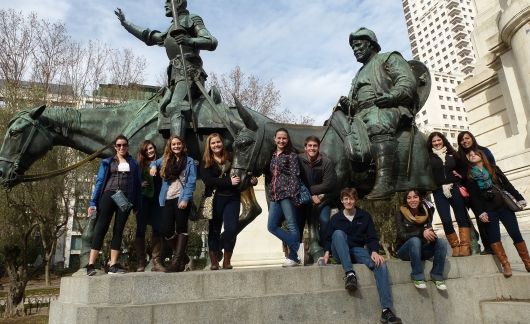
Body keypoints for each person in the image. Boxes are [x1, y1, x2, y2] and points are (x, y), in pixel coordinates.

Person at [115, 0, 217, 138]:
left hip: (190, 74)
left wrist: (189, 41)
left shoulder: (192, 19)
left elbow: (210, 41)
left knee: (175, 106)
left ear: (179, 2)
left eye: (169, 1)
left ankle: (178, 153)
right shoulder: (170, 30)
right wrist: (126, 24)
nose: (165, 5)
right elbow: (150, 37)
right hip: (175, 77)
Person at [337, 27, 417, 199]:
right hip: (360, 113)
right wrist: (349, 105)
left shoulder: (389, 58)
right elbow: (357, 102)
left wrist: (392, 96)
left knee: (376, 123)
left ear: (371, 44)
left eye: (358, 45)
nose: (355, 50)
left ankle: (385, 182)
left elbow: (406, 81)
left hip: (386, 106)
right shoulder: (358, 74)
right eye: (353, 48)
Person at [319, 188, 402, 324]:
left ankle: (386, 311)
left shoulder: (364, 216)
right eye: (345, 199)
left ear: (355, 200)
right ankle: (350, 274)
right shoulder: (335, 219)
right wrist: (326, 256)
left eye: (351, 198)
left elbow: (371, 237)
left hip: (357, 251)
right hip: (340, 252)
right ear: (342, 201)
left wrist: (374, 251)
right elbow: (328, 239)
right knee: (338, 234)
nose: (348, 201)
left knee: (380, 264)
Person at [466, 149, 529, 277]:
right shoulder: (470, 176)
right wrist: (480, 212)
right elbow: (474, 197)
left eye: (475, 154)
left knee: (515, 234)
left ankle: (527, 262)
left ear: (481, 156)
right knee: (494, 238)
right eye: (470, 155)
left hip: (503, 206)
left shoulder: (494, 169)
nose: (472, 156)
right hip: (488, 210)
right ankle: (505, 264)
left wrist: (519, 197)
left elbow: (507, 185)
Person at [86, 135, 142, 276]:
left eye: (124, 145)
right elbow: (99, 182)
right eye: (119, 145)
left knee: (119, 230)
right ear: (115, 147)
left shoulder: (134, 164)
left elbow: (137, 186)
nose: (122, 147)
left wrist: (137, 205)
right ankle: (91, 265)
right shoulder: (107, 162)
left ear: (127, 146)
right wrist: (93, 202)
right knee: (101, 227)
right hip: (108, 196)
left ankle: (113, 264)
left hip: (125, 198)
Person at [201, 133, 257, 270]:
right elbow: (207, 180)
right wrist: (228, 181)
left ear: (222, 143)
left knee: (231, 229)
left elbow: (243, 174)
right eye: (213, 143)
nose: (216, 145)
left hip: (232, 198)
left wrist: (251, 181)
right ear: (209, 146)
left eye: (218, 142)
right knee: (214, 229)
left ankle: (227, 260)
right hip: (215, 199)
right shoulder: (206, 161)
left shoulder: (232, 157)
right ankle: (214, 261)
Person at [150, 135, 197, 272]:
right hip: (166, 198)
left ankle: (177, 263)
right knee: (166, 229)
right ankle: (184, 258)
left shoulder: (189, 161)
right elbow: (154, 163)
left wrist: (186, 199)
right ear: (170, 146)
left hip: (181, 198)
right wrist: (153, 167)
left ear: (183, 145)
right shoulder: (165, 159)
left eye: (178, 144)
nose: (176, 146)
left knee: (181, 228)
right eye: (173, 144)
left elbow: (191, 182)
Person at [427, 131, 471, 257]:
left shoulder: (452, 154)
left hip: (454, 188)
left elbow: (464, 167)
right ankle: (455, 246)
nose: (436, 143)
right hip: (439, 191)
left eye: (438, 140)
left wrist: (460, 175)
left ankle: (465, 246)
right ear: (431, 143)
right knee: (446, 220)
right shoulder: (428, 157)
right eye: (434, 141)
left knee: (461, 216)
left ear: (443, 140)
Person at [396, 189, 447, 290]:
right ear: (406, 200)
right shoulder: (400, 213)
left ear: (420, 199)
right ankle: (417, 276)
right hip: (405, 251)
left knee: (441, 242)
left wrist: (432, 235)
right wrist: (421, 233)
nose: (412, 200)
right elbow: (401, 235)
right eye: (409, 198)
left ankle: (437, 275)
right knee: (415, 240)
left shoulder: (426, 212)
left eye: (415, 197)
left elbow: (429, 231)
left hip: (422, 249)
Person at [297, 135, 337, 261]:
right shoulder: (298, 160)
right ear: (305, 147)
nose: (312, 148)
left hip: (322, 199)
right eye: (310, 146)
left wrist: (314, 193)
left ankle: (327, 251)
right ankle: (298, 254)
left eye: (315, 146)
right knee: (297, 225)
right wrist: (309, 195)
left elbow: (329, 183)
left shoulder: (326, 162)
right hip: (303, 199)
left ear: (318, 148)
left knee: (325, 222)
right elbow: (295, 180)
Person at [266, 128, 301, 267]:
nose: (281, 140)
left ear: (288, 140)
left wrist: (292, 194)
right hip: (274, 196)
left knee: (292, 225)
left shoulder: (291, 155)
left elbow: (295, 175)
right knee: (271, 226)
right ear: (274, 139)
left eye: (284, 138)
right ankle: (297, 246)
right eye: (279, 138)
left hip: (286, 194)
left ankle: (294, 257)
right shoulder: (273, 155)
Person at [457, 130, 496, 254]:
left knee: (493, 218)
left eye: (467, 138)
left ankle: (496, 244)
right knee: (481, 220)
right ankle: (488, 247)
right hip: (473, 195)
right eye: (462, 140)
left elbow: (493, 169)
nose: (465, 141)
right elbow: (462, 175)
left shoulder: (484, 151)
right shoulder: (460, 157)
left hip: (490, 192)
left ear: (472, 138)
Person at [136, 140, 165, 272]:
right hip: (143, 200)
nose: (150, 151)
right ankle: (141, 261)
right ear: (143, 152)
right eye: (147, 149)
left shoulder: (160, 162)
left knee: (158, 229)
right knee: (140, 229)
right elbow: (133, 182)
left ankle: (156, 261)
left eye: (151, 148)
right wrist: (139, 184)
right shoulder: (139, 165)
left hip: (158, 199)